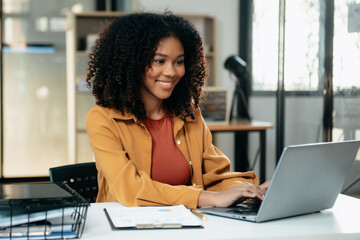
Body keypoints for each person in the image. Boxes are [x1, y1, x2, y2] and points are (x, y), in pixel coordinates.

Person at [86, 12, 269, 209]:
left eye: (179, 62)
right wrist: (207, 199)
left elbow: (216, 176)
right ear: (132, 63)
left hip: (188, 226)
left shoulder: (189, 114)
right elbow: (131, 190)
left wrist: (249, 190)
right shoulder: (102, 119)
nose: (172, 72)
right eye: (159, 61)